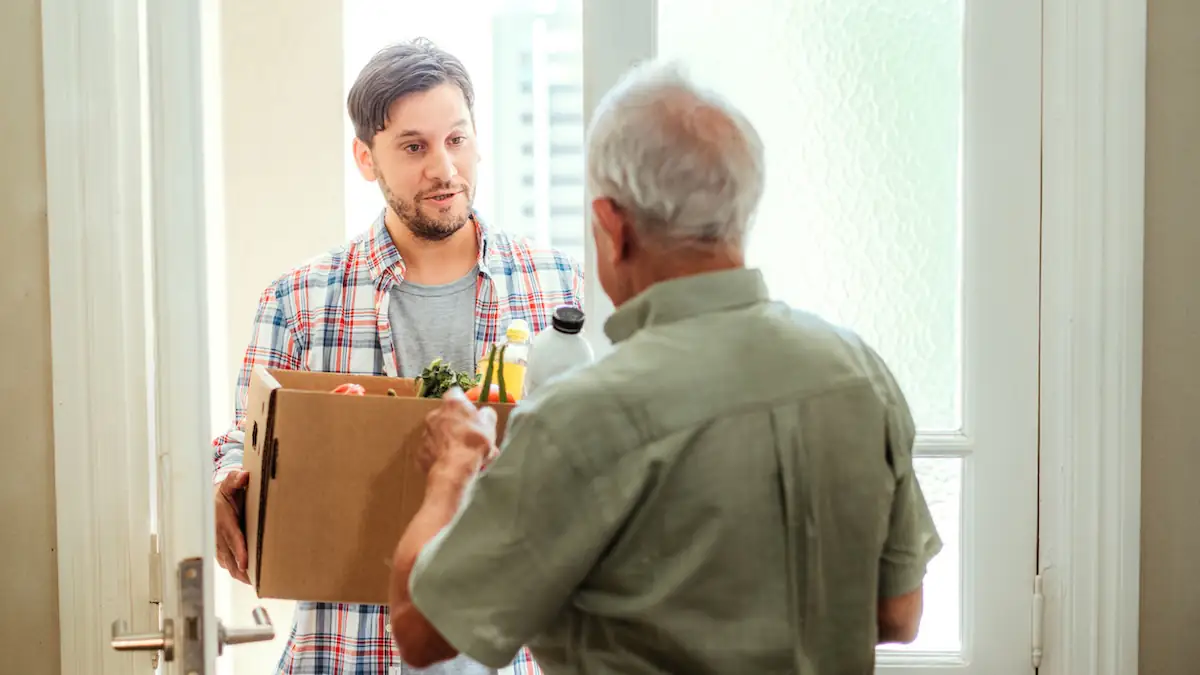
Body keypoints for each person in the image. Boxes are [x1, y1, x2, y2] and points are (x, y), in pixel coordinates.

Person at [386, 59, 943, 674]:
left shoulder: (581, 416)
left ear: (612, 227)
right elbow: (899, 614)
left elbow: (420, 633)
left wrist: (450, 471)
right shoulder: (861, 373)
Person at [211, 39, 581, 675]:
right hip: (343, 653)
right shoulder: (297, 299)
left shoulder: (553, 287)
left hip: (502, 654)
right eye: (414, 147)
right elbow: (239, 448)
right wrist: (220, 490)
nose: (444, 167)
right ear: (365, 157)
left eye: (457, 139)